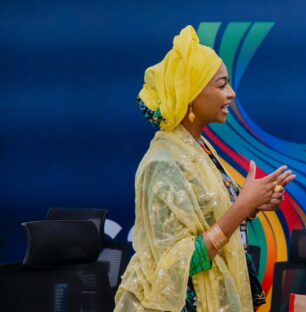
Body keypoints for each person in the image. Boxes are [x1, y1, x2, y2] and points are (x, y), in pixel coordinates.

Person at [114, 25, 295, 312]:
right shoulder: (163, 164)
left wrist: (252, 205)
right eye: (221, 85)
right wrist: (241, 207)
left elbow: (210, 222)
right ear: (192, 94)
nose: (232, 94)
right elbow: (179, 267)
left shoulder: (198, 148)